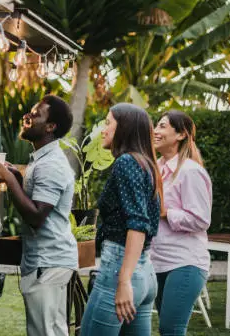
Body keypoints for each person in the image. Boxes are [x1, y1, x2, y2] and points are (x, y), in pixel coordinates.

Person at [0, 94, 78, 336]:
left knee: (43, 332)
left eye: (36, 114)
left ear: (50, 127)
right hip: (51, 260)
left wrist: (7, 180)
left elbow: (36, 216)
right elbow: (37, 200)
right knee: (55, 331)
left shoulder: (50, 165)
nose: (27, 116)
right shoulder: (43, 159)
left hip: (48, 262)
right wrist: (17, 177)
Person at [81, 103, 161, 335]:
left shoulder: (127, 163)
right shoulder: (146, 164)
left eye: (108, 123)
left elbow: (137, 226)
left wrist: (123, 281)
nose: (103, 130)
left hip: (120, 272)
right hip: (145, 273)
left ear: (124, 128)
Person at [151, 110, 212, 336]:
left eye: (163, 126)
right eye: (156, 125)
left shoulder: (190, 171)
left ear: (181, 134)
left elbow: (201, 219)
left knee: (171, 329)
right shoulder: (155, 168)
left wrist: (167, 213)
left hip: (184, 263)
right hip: (158, 262)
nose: (156, 131)